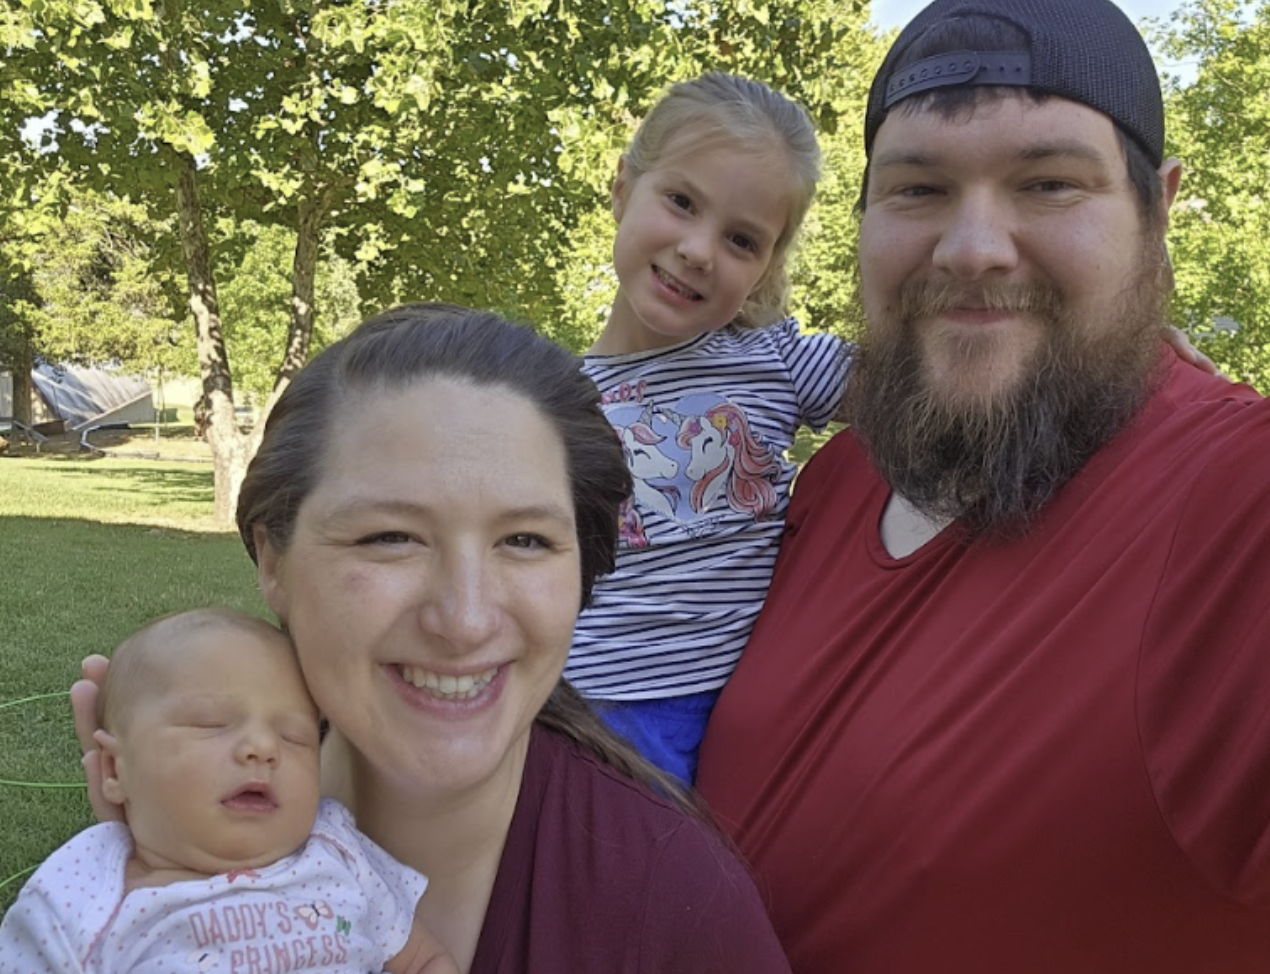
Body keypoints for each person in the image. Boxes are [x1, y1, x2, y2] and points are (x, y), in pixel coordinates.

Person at [696, 1, 1270, 972]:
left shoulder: (1237, 504)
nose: (970, 247)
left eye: (1048, 183)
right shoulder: (835, 474)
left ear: (1157, 212)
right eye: (917, 189)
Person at [67, 303, 795, 974]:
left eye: (525, 540)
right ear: (272, 560)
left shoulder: (680, 910)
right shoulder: (162, 835)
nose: (465, 619)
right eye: (391, 537)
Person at [564, 72, 851, 784]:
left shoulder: (774, 359)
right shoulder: (550, 398)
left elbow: (935, 389)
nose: (698, 249)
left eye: (741, 240)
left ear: (765, 268)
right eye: (682, 202)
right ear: (623, 188)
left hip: (746, 716)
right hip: (587, 708)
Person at [0, 606, 458, 974]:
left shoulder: (339, 852)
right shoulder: (82, 892)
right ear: (113, 767)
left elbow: (423, 961)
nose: (264, 748)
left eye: (295, 736)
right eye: (212, 723)